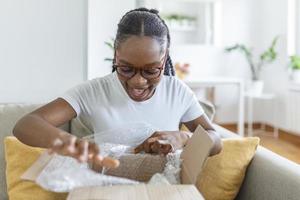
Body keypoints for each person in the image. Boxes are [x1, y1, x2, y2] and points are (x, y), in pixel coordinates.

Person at [13, 8, 222, 169]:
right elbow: (26, 125)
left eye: (151, 71)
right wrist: (70, 143)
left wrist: (183, 137)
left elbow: (215, 140)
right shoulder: (94, 91)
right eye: (126, 69)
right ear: (116, 56)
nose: (138, 81)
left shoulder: (177, 91)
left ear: (164, 58)